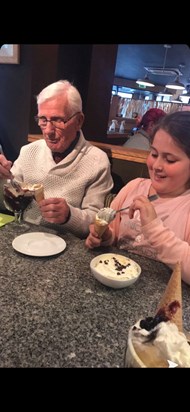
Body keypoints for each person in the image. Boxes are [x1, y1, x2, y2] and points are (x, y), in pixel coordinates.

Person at [85, 111, 190, 285]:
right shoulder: (134, 187)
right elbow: (114, 233)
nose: (156, 166)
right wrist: (105, 237)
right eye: (154, 154)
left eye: (170, 160)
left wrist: (154, 228)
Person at [0, 80, 113, 237]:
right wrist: (2, 180)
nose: (48, 131)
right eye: (43, 120)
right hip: (24, 236)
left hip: (67, 245)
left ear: (79, 121)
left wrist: (69, 216)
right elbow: (8, 204)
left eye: (57, 120)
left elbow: (97, 222)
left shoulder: (97, 161)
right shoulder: (28, 152)